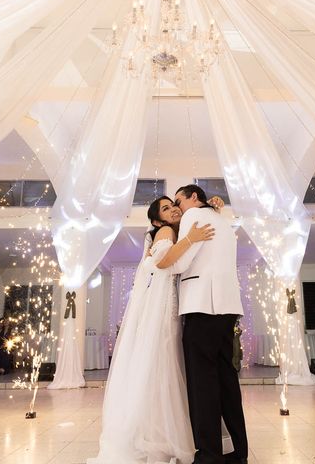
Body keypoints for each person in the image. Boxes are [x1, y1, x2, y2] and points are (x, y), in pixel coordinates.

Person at [88, 195, 216, 464]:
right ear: (157, 220)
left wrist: (212, 207)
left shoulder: (174, 230)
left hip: (165, 304)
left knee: (163, 365)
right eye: (166, 209)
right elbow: (162, 261)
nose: (172, 211)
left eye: (173, 206)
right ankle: (157, 436)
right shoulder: (167, 231)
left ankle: (159, 431)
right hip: (159, 308)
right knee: (160, 363)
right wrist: (191, 238)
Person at [172, 184, 248, 464]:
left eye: (179, 201)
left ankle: (209, 455)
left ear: (194, 197)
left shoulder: (194, 217)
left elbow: (181, 264)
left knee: (202, 385)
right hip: (227, 309)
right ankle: (240, 453)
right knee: (228, 383)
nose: (178, 208)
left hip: (201, 306)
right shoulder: (224, 221)